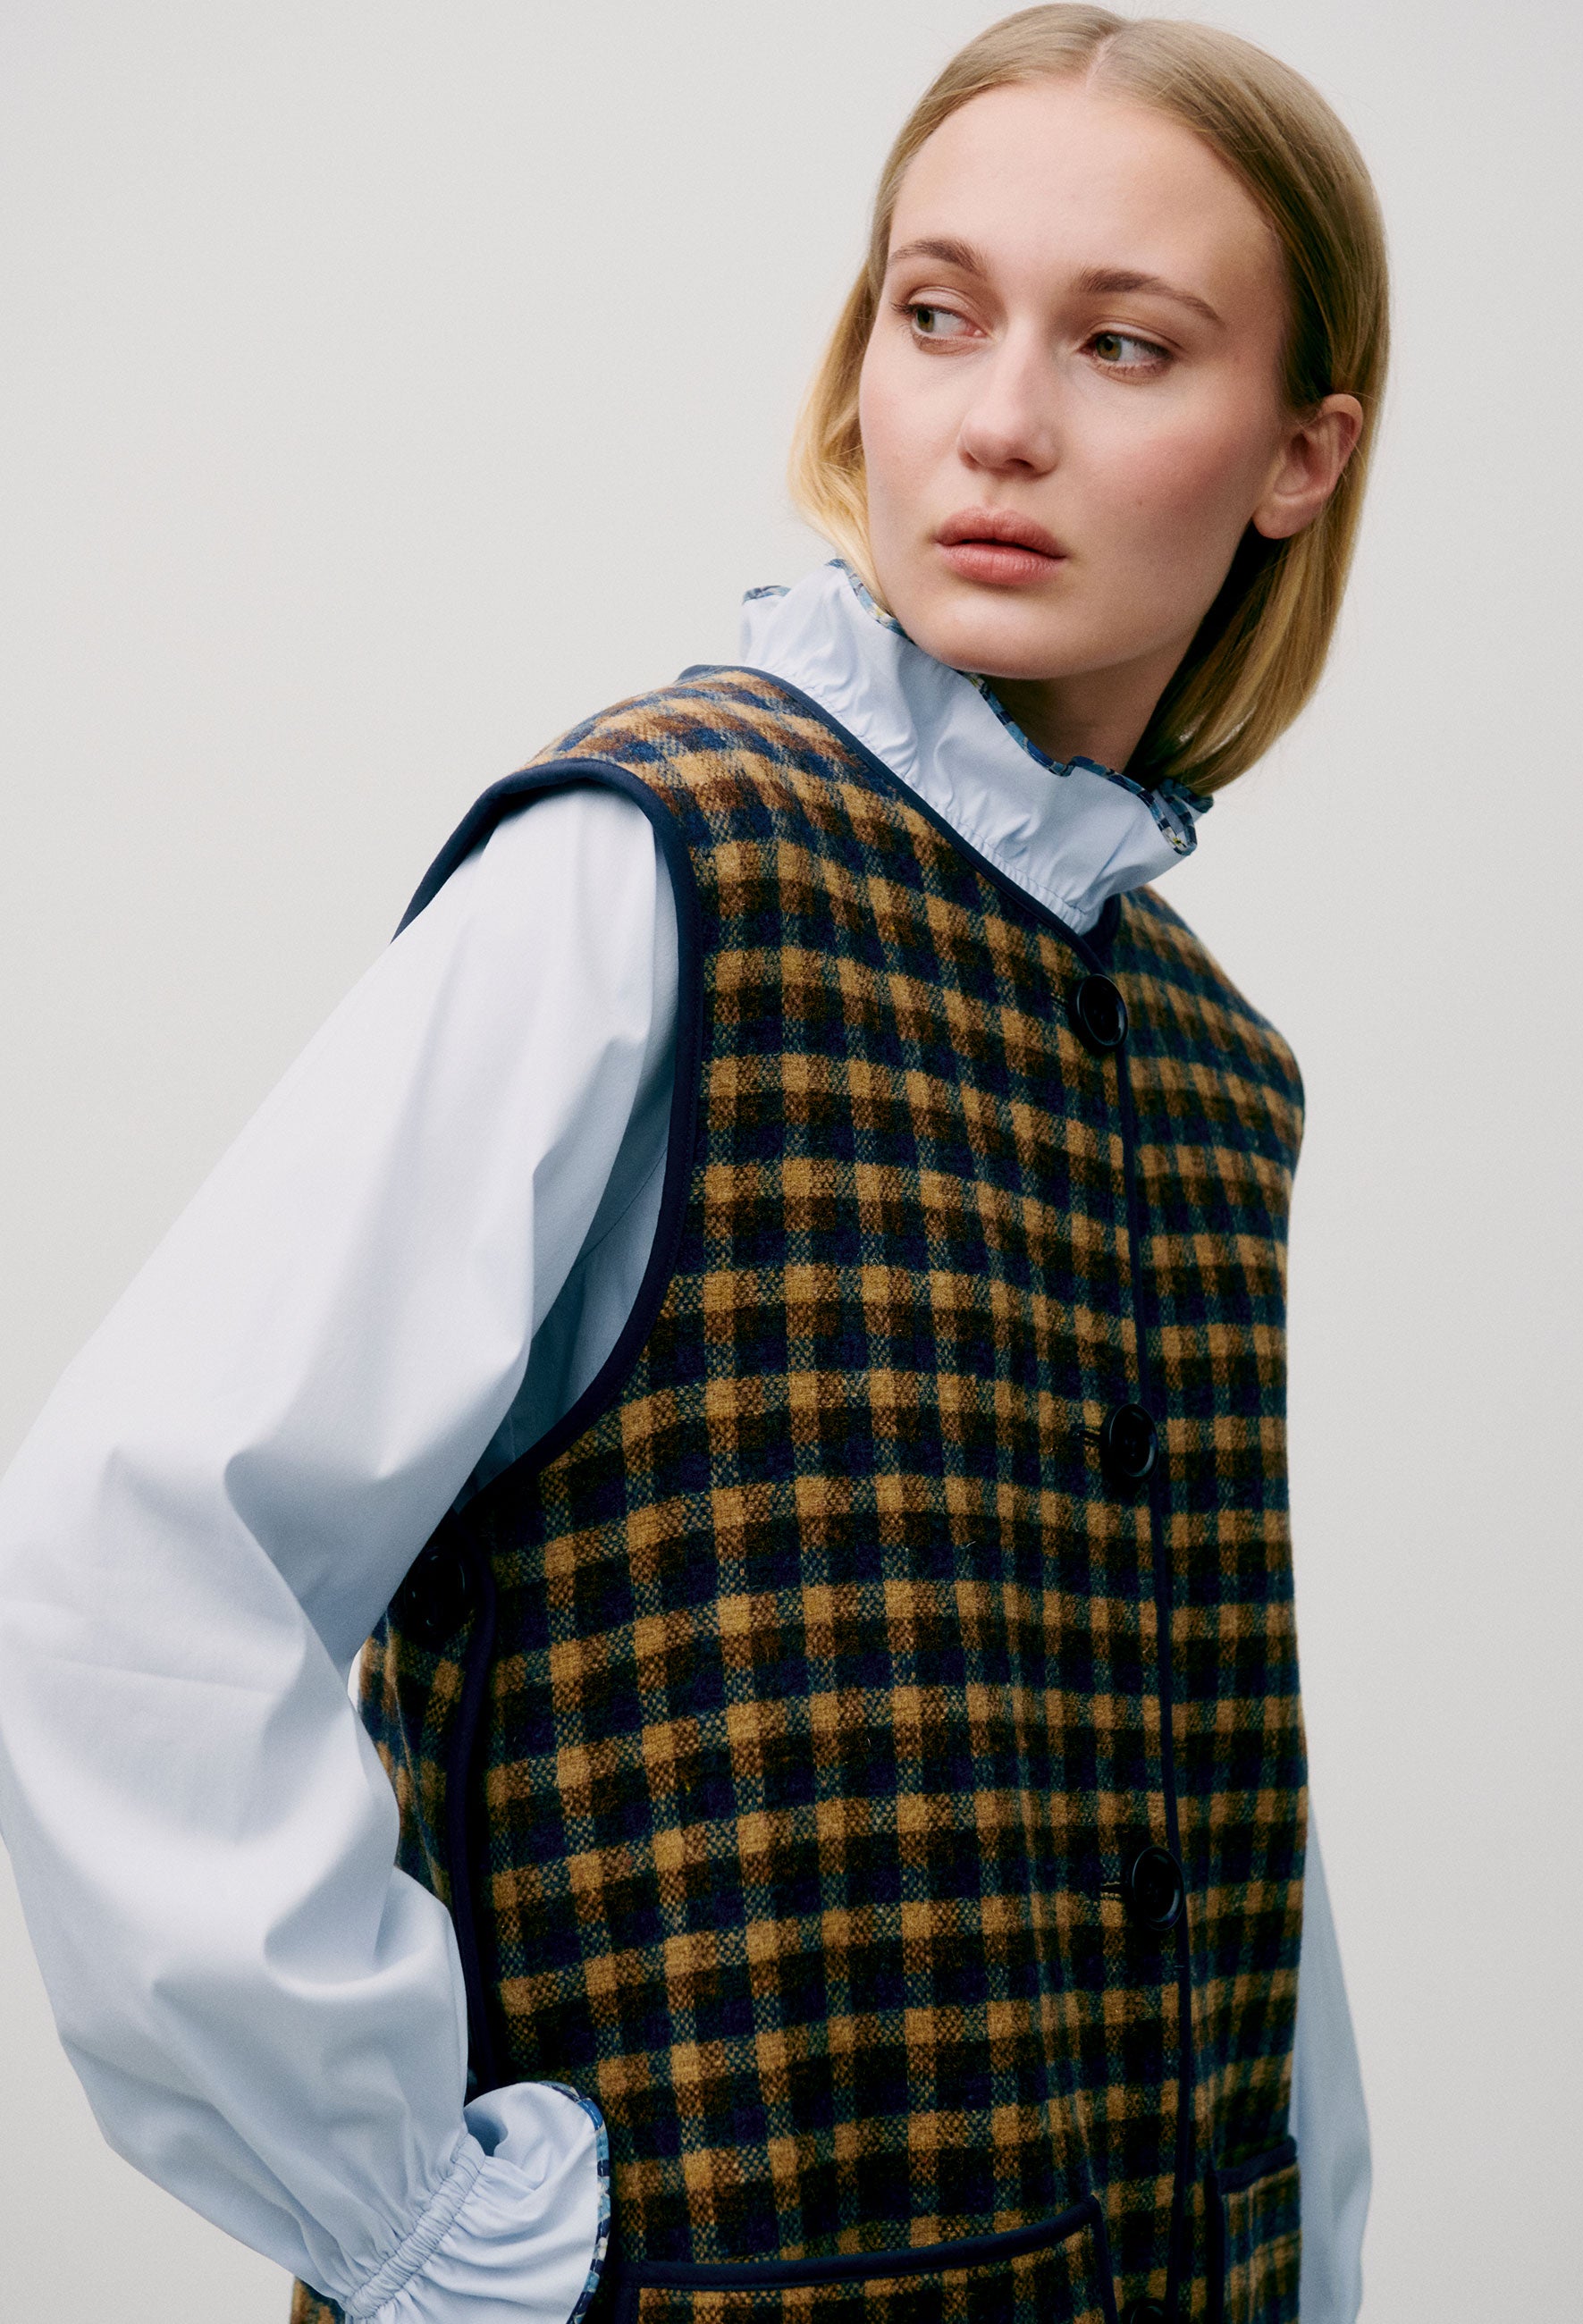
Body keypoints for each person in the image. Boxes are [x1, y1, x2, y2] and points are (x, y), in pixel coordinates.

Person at [0, 9, 1385, 2321]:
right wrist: (402, 2216)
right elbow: (138, 1553)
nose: (998, 421)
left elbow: (1230, 1782)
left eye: (1125, 345)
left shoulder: (1223, 1074)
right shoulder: (645, 873)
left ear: (1295, 456)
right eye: (934, 314)